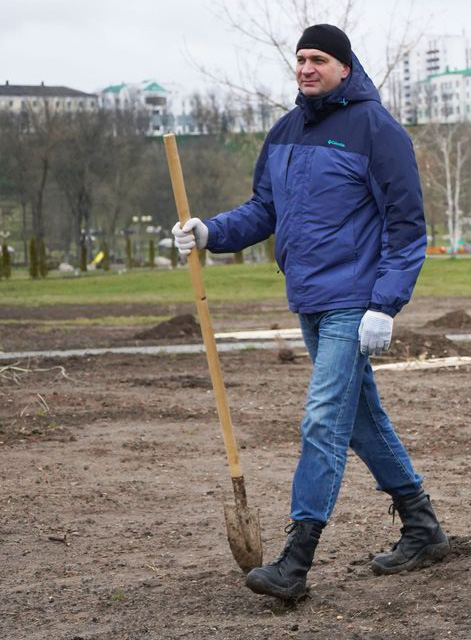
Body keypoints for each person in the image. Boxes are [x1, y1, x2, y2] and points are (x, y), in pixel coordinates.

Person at [171, 24, 448, 600]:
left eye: (318, 58)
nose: (305, 68)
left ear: (345, 67)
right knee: (361, 420)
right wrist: (209, 232)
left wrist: (385, 303)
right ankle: (422, 526)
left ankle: (295, 561)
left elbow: (406, 227)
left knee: (323, 419)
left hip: (355, 302)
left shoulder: (378, 130)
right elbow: (263, 210)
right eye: (300, 59)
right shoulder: (285, 131)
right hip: (309, 300)